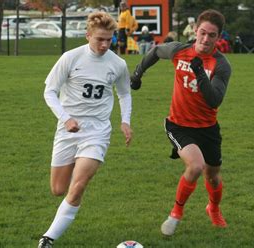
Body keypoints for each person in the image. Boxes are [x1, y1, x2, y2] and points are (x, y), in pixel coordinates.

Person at [130, 9, 231, 236]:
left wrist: (200, 72)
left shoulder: (221, 65)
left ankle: (213, 209)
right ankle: (176, 213)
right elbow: (156, 50)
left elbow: (214, 100)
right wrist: (137, 74)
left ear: (218, 37)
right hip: (179, 125)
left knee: (213, 176)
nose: (205, 39)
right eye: (202, 33)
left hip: (208, 128)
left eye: (211, 35)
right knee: (195, 166)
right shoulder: (180, 50)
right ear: (195, 31)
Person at [38, 12, 133, 248]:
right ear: (88, 35)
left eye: (108, 40)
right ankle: (70, 198)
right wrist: (66, 118)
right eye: (99, 39)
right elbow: (49, 91)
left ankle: (48, 239)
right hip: (68, 129)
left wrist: (125, 121)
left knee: (79, 184)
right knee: (58, 189)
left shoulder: (118, 63)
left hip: (97, 131)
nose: (104, 45)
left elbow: (124, 93)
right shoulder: (71, 58)